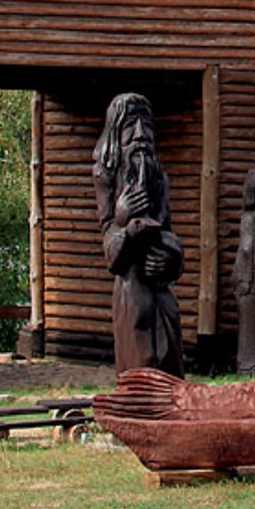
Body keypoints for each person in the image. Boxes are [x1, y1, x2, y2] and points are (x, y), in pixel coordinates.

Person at [93, 92, 184, 377]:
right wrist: (124, 222)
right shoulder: (106, 176)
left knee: (170, 355)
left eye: (147, 125)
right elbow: (111, 254)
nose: (141, 135)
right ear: (116, 132)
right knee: (140, 357)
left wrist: (170, 256)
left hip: (160, 287)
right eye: (132, 125)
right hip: (133, 288)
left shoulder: (158, 176)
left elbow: (168, 231)